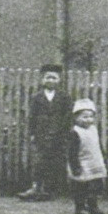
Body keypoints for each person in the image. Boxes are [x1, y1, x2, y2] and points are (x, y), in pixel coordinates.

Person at [19, 66, 73, 200]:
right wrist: (32, 133)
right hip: (41, 134)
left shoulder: (64, 97)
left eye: (54, 78)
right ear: (42, 80)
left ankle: (51, 190)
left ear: (59, 80)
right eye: (48, 77)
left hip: (59, 134)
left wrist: (63, 132)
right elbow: (32, 116)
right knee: (39, 161)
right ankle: (36, 188)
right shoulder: (37, 97)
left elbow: (68, 116)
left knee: (56, 161)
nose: (51, 80)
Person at [66, 98, 107, 214]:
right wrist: (75, 167)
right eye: (84, 117)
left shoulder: (93, 129)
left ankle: (93, 205)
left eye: (91, 117)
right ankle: (80, 207)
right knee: (81, 187)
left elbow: (97, 144)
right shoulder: (75, 132)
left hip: (94, 162)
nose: (88, 120)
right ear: (76, 118)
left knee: (95, 186)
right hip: (82, 163)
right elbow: (72, 152)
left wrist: (103, 155)